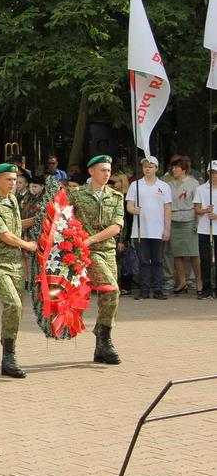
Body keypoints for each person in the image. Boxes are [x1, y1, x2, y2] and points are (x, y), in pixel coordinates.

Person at [0, 163, 37, 378]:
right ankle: (9, 356)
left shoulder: (11, 200)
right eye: (8, 179)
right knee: (13, 303)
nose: (12, 183)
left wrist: (39, 220)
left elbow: (15, 226)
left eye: (14, 179)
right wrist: (27, 245)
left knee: (16, 309)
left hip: (16, 263)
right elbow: (4, 235)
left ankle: (8, 345)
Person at [69, 155, 124, 365]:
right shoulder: (76, 195)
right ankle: (105, 339)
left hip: (107, 250)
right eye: (103, 170)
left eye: (109, 170)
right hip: (87, 253)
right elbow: (64, 220)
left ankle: (101, 345)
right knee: (112, 290)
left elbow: (116, 227)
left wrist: (93, 238)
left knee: (108, 298)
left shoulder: (115, 197)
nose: (107, 174)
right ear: (91, 172)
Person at [125, 156, 172, 300]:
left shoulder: (164, 186)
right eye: (145, 166)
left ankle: (158, 289)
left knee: (158, 260)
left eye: (150, 167)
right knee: (144, 261)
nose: (147, 169)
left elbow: (168, 209)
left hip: (158, 230)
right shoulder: (135, 185)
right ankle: (144, 290)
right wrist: (134, 210)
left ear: (156, 169)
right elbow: (129, 206)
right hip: (141, 230)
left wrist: (167, 229)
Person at [166, 159, 201, 295]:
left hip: (189, 219)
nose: (173, 170)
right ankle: (182, 281)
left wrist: (197, 223)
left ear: (184, 169)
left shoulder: (194, 183)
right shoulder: (168, 185)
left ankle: (198, 282)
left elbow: (198, 203)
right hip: (174, 220)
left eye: (176, 167)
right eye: (173, 167)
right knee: (177, 253)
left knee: (193, 253)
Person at [193, 161, 217, 299]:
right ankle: (207, 287)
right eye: (212, 173)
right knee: (205, 259)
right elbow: (196, 209)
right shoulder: (201, 189)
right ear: (208, 173)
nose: (214, 176)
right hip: (204, 229)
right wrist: (205, 211)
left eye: (216, 173)